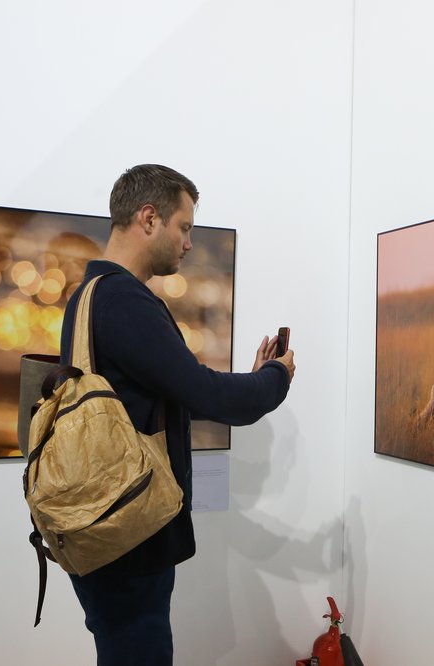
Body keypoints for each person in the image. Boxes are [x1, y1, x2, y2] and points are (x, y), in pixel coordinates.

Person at [58, 164, 295, 664]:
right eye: (184, 227)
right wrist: (276, 377)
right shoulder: (124, 299)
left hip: (97, 530)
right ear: (149, 218)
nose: (189, 242)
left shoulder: (86, 298)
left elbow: (170, 385)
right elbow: (206, 396)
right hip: (127, 536)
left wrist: (248, 377)